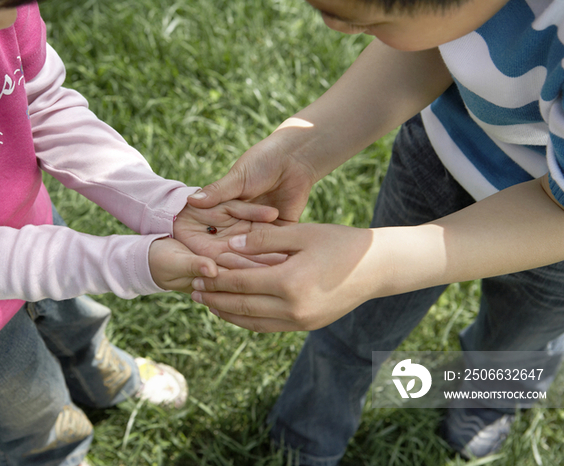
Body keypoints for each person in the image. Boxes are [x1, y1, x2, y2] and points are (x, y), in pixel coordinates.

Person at [0, 1, 280, 465]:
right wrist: (132, 263)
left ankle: (102, 374)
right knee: (28, 407)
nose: (6, 23)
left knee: (77, 322)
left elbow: (42, 106)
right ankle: (57, 450)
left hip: (36, 232)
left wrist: (161, 205)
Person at [187, 0, 564, 463]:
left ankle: (487, 395)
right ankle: (304, 436)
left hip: (552, 236)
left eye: (370, 19)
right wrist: (303, 149)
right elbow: (430, 41)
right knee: (356, 327)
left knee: (515, 342)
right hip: (440, 155)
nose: (335, 27)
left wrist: (371, 266)